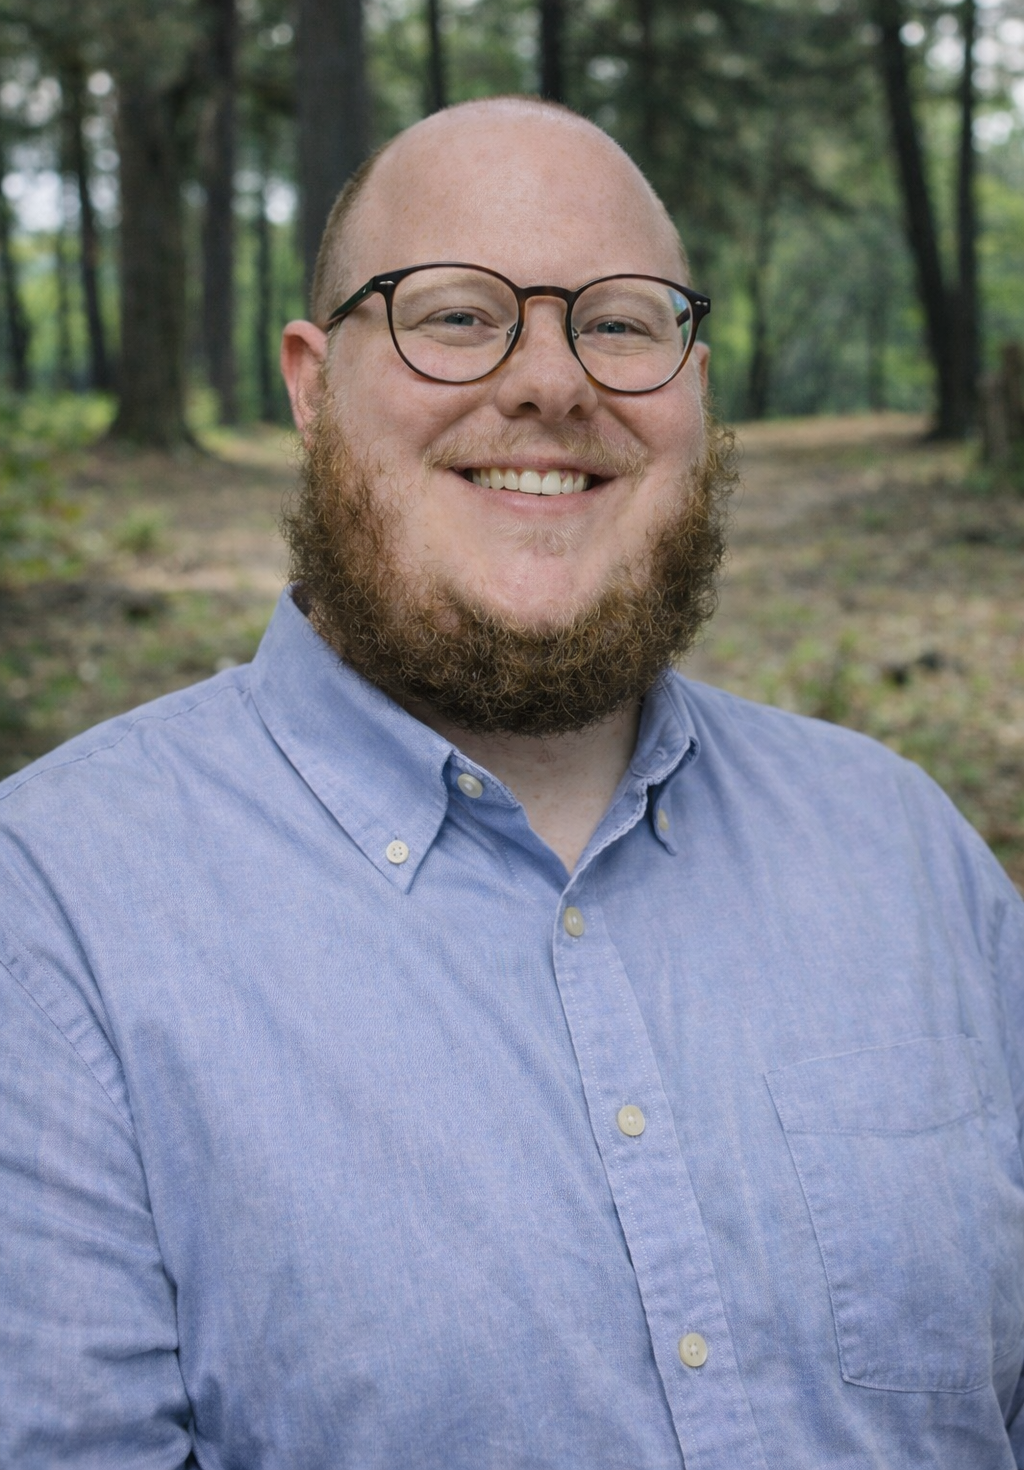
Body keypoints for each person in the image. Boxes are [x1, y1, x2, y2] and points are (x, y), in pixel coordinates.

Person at [1, 96, 1022, 1470]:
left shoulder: (907, 853)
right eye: (459, 313)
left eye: (619, 321)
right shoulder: (52, 918)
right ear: (312, 385)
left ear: (694, 386)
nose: (553, 381)